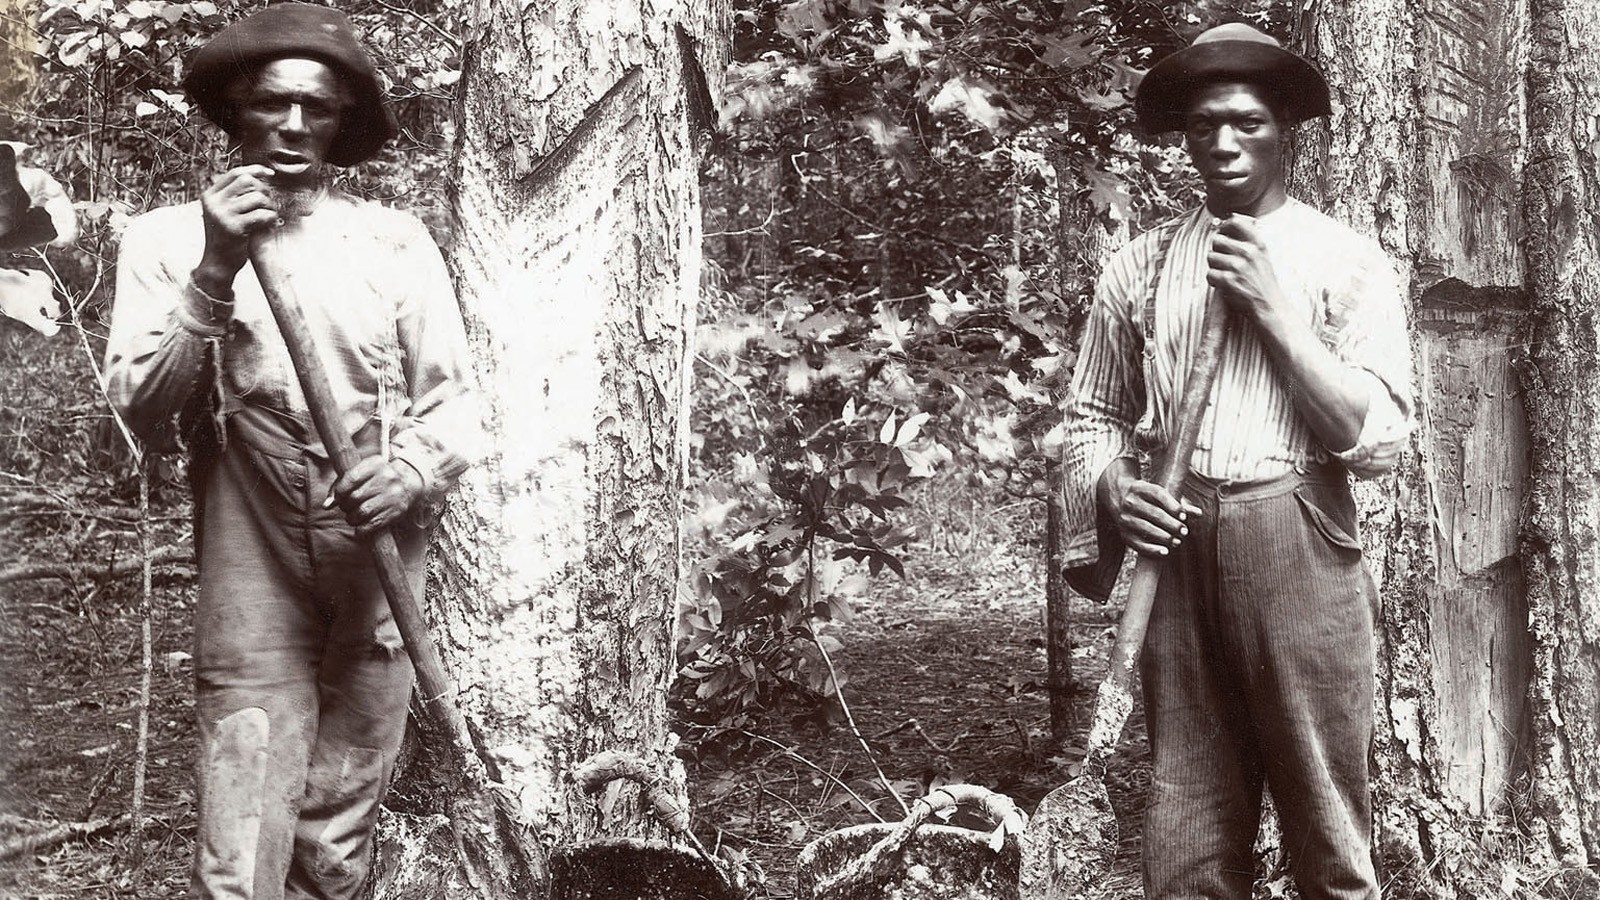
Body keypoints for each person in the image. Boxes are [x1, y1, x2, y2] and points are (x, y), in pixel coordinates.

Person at [103, 5, 481, 898]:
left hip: (379, 553)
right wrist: (215, 267)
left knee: (338, 831)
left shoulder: (391, 242)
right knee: (241, 830)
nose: (294, 126)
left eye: (317, 108)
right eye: (272, 104)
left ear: (342, 121)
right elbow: (144, 415)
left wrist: (413, 472)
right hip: (251, 548)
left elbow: (456, 403)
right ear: (236, 110)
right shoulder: (163, 239)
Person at [1059, 22, 1415, 900]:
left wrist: (1277, 316)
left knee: (1327, 830)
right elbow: (1089, 417)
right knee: (1186, 834)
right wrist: (1115, 489)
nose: (1223, 143)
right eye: (1205, 125)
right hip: (1173, 549)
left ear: (1284, 128)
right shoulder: (1139, 266)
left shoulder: (1346, 262)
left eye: (1248, 122)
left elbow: (1378, 440)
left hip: (1298, 535)